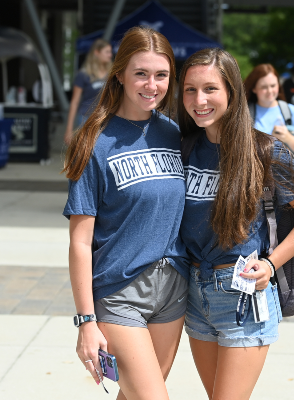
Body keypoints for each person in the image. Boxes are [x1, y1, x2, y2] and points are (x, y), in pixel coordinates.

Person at [178, 48, 294, 400]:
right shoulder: (183, 148)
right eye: (190, 90)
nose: (200, 100)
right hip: (195, 293)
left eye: (210, 89)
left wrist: (272, 263)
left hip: (244, 294)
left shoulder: (266, 151)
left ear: (231, 90)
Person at [62, 27, 189, 400]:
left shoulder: (173, 133)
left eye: (161, 75)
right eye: (141, 73)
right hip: (120, 293)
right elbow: (80, 242)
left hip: (174, 288)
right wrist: (86, 321)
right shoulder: (93, 141)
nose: (152, 85)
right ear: (119, 74)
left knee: (134, 395)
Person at [244, 63, 294, 159]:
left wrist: (288, 138)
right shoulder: (244, 113)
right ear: (254, 89)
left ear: (278, 85)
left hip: (284, 173)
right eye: (264, 87)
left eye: (273, 85)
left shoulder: (290, 111)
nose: (269, 91)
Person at [64, 39, 113, 145]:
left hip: (106, 118)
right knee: (87, 154)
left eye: (110, 52)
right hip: (86, 118)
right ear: (96, 53)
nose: (110, 55)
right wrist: (69, 129)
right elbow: (74, 102)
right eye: (107, 52)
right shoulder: (83, 74)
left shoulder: (112, 74)